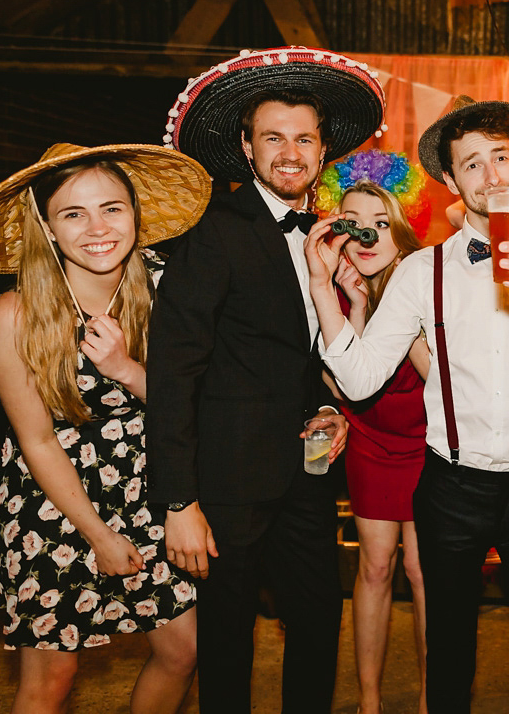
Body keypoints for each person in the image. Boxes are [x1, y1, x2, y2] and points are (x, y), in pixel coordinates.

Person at [304, 96, 509, 714]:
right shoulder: (419, 272)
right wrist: (323, 289)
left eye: (501, 158)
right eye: (472, 165)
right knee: (449, 658)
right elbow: (360, 377)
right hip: (451, 489)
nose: (492, 175)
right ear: (453, 182)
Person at [146, 46, 385, 712]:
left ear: (321, 150)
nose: (290, 151)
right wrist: (178, 502)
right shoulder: (213, 232)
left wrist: (331, 410)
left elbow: (303, 353)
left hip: (307, 479)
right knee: (227, 644)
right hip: (223, 486)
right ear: (247, 149)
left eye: (304, 138)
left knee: (316, 627)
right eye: (273, 137)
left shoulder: (326, 236)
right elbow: (173, 370)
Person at [0, 143, 212, 713]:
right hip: (52, 500)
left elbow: (201, 402)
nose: (98, 228)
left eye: (112, 208)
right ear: (47, 226)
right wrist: (99, 535)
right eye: (74, 214)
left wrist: (125, 369)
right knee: (51, 677)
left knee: (185, 649)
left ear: (137, 214)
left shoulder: (171, 288)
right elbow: (36, 440)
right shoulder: (13, 314)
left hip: (150, 486)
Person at [314, 150, 431, 714]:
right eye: (354, 223)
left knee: (422, 569)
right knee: (376, 565)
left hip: (431, 444)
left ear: (401, 227)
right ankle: (368, 702)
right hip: (372, 442)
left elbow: (445, 376)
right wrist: (357, 308)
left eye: (381, 222)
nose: (367, 234)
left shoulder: (430, 280)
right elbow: (345, 389)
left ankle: (440, 696)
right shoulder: (332, 292)